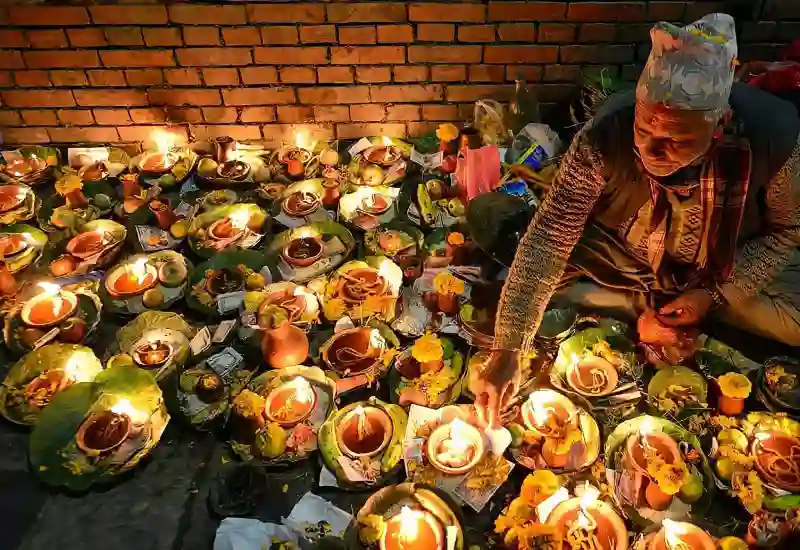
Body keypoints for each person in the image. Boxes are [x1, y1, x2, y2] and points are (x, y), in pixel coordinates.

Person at [474, 13, 800, 427]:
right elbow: (549, 238)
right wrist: (508, 348)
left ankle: (660, 312)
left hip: (723, 261)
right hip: (624, 257)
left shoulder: (775, 140)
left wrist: (712, 295)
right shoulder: (603, 138)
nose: (651, 149)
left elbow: (787, 231)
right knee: (506, 255)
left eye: (675, 139)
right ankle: (652, 313)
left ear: (719, 127)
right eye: (644, 128)